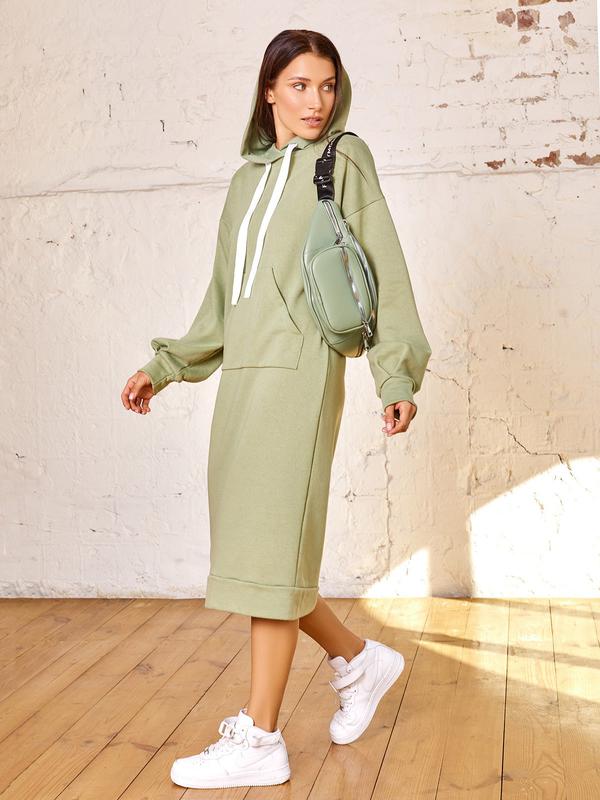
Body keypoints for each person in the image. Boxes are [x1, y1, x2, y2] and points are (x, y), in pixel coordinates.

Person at [121, 29, 431, 790]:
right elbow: (222, 303)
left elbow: (386, 270)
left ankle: (260, 738)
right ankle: (358, 661)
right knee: (263, 555)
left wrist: (396, 377)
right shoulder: (244, 183)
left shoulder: (343, 160)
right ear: (268, 91)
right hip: (243, 385)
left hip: (300, 378)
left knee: (269, 556)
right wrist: (165, 367)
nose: (316, 101)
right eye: (299, 85)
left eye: (327, 85)